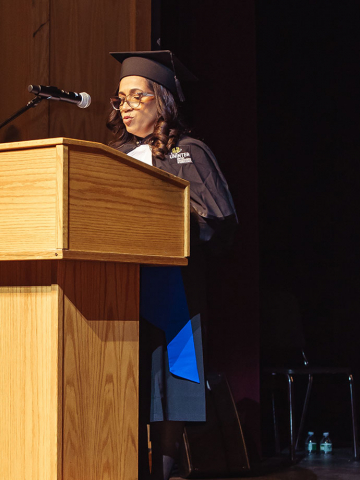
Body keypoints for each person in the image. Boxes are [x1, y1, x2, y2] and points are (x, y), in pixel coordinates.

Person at [107, 50, 237, 479]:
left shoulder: (189, 152)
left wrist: (173, 224)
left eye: (136, 97)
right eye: (120, 98)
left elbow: (220, 220)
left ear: (161, 100)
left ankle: (162, 467)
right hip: (119, 287)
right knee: (127, 378)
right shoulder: (111, 158)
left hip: (174, 287)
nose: (124, 107)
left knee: (170, 382)